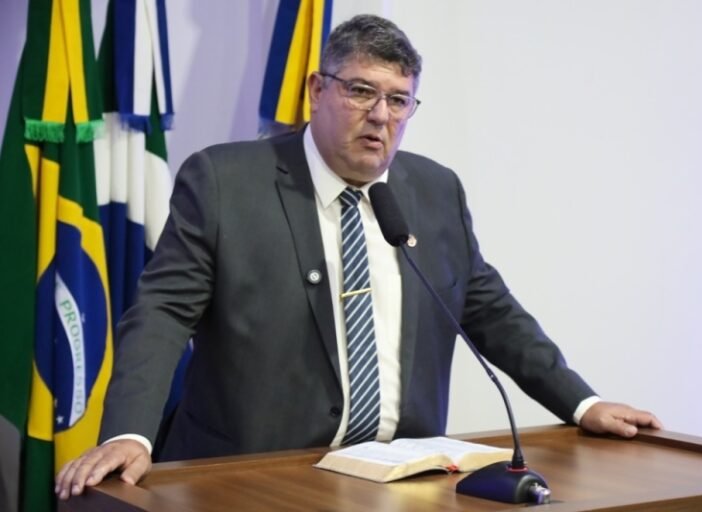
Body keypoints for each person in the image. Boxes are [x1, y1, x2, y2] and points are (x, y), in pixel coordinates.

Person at [55, 14, 661, 499]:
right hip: (247, 478)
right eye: (362, 91)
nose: (381, 116)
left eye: (400, 101)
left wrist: (582, 403)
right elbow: (161, 314)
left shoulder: (433, 190)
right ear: (317, 90)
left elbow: (490, 309)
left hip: (405, 482)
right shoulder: (224, 181)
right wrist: (131, 432)